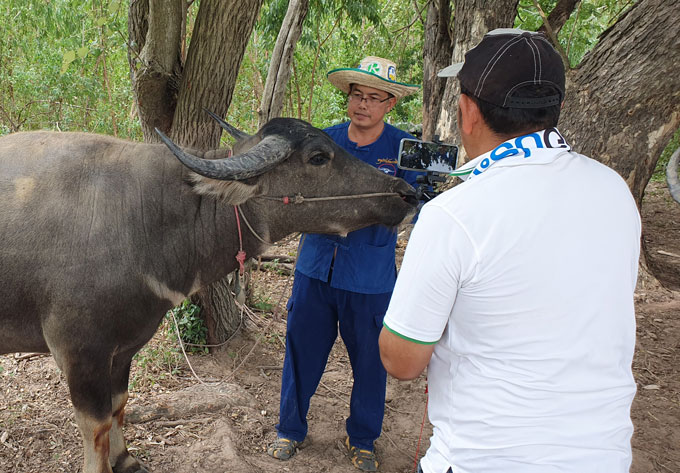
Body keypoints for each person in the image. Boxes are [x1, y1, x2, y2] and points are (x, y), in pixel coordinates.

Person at [379, 29, 639, 473]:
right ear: (554, 109)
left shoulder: (455, 215)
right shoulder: (613, 189)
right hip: (602, 456)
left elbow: (401, 360)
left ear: (467, 112)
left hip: (483, 458)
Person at [267, 56, 420, 472]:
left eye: (374, 97)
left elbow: (420, 207)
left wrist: (419, 200)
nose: (363, 105)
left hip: (370, 278)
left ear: (390, 104)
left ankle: (363, 439)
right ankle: (289, 429)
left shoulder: (405, 150)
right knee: (301, 352)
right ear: (347, 98)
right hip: (316, 269)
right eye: (357, 95)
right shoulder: (323, 142)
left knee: (371, 362)